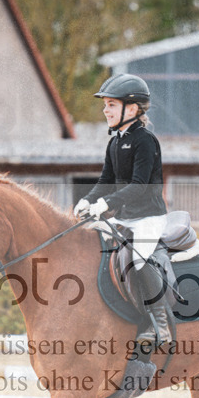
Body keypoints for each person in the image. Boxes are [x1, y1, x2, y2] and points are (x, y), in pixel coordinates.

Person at [74, 73, 170, 344]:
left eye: (111, 105)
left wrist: (107, 203)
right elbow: (106, 181)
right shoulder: (115, 141)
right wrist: (88, 200)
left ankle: (158, 323)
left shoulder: (145, 141)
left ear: (132, 108)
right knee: (95, 250)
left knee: (138, 260)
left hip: (149, 218)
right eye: (104, 105)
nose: (105, 110)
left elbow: (139, 185)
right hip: (125, 217)